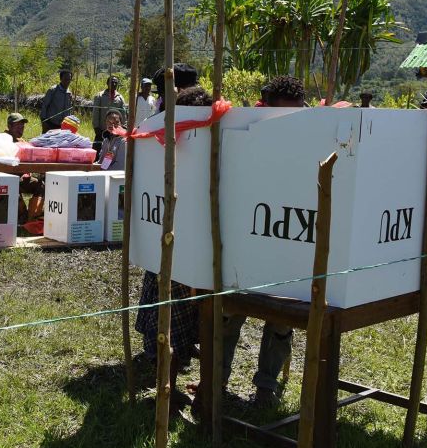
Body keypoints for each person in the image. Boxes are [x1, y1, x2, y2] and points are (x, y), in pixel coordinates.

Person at [220, 75, 306, 408]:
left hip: (289, 247)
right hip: (245, 247)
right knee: (228, 315)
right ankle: (216, 382)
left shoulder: (310, 139)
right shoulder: (242, 135)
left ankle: (266, 388)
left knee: (282, 321)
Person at [134, 74, 204, 416]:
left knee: (185, 329)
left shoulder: (201, 140)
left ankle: (178, 386)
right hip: (172, 252)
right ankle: (168, 387)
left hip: (191, 252)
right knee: (171, 330)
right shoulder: (159, 133)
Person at [91, 76, 127, 149]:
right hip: (102, 129)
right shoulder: (100, 96)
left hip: (116, 131)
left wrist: (124, 127)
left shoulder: (120, 98)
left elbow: (123, 114)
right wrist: (96, 127)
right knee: (98, 150)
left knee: (113, 151)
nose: (114, 84)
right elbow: (96, 113)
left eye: (115, 83)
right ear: (107, 83)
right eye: (112, 82)